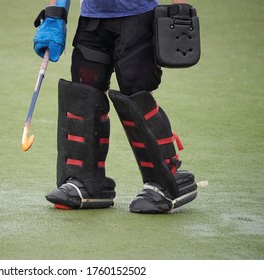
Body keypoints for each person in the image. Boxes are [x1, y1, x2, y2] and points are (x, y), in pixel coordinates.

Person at [33, 0, 199, 214]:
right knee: (84, 92)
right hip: (92, 21)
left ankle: (167, 178)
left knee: (136, 94)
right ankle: (86, 183)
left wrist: (180, 8)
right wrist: (55, 15)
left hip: (138, 18)